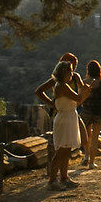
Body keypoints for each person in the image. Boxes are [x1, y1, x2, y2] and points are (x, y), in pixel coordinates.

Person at [37, 54, 85, 191]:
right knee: (61, 151)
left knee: (66, 149)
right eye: (70, 68)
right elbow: (79, 98)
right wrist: (86, 91)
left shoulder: (66, 82)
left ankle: (64, 177)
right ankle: (52, 180)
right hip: (64, 117)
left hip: (70, 116)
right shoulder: (61, 85)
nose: (73, 71)